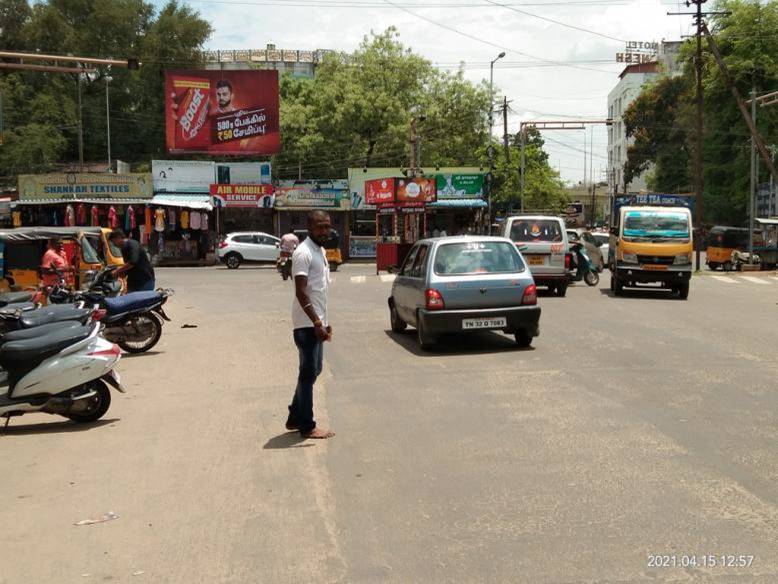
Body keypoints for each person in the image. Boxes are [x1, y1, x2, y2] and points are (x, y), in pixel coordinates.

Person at [286, 210, 335, 440]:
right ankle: (307, 425)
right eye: (320, 227)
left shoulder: (321, 251)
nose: (324, 231)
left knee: (314, 370)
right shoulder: (303, 253)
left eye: (327, 226)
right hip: (306, 325)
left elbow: (320, 290)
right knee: (308, 374)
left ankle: (295, 415)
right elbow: (301, 291)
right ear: (309, 227)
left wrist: (325, 321)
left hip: (317, 322)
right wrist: (316, 321)